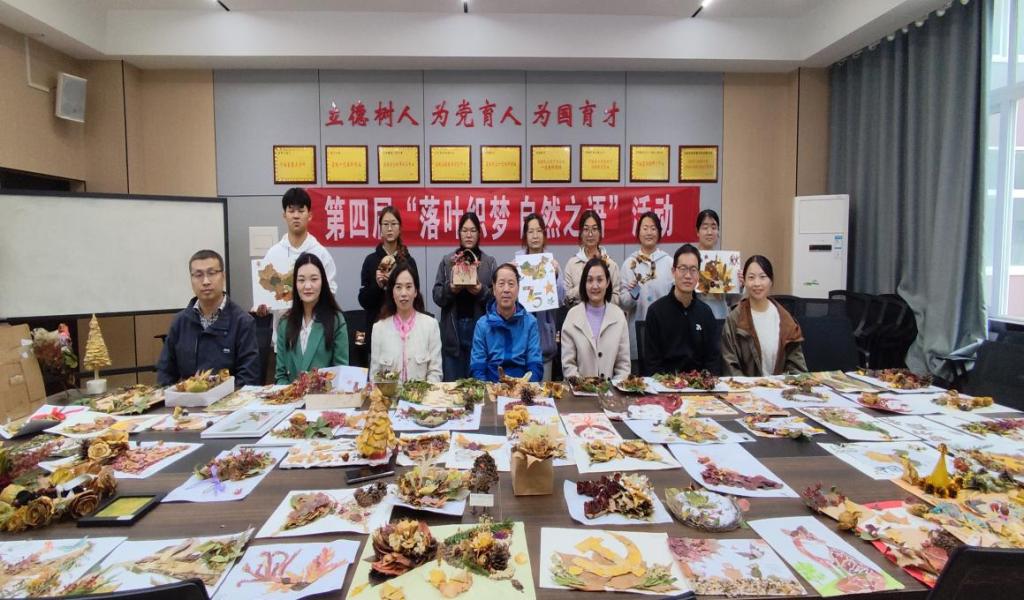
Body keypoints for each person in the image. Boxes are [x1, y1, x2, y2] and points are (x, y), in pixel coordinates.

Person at [157, 249, 260, 386]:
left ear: (223, 276)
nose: (205, 281)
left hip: (230, 398)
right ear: (191, 279)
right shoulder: (180, 322)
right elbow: (165, 373)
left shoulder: (243, 322)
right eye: (198, 275)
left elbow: (248, 378)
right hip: (187, 398)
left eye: (211, 273)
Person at [432, 212, 498, 381]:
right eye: (465, 230)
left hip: (480, 330)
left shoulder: (489, 263)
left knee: (478, 385)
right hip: (453, 332)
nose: (469, 235)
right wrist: (450, 289)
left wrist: (481, 291)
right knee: (453, 386)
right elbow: (437, 296)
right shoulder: (448, 261)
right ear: (459, 233)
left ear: (479, 233)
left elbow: (497, 299)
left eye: (473, 230)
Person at [255, 187, 338, 318]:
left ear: (309, 215)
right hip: (282, 328)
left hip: (314, 326)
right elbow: (266, 293)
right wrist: (263, 306)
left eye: (301, 211)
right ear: (284, 215)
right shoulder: (273, 254)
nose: (296, 216)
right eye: (291, 211)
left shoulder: (320, 253)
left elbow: (331, 291)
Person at [721, 255, 808, 376]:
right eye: (751, 277)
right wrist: (748, 386)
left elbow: (796, 366)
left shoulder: (784, 318)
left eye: (762, 277)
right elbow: (729, 364)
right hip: (744, 387)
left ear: (771, 280)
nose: (757, 283)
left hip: (779, 387)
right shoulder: (735, 318)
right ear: (744, 281)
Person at [642, 244, 721, 375]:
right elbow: (652, 364)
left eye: (693, 270)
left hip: (700, 384)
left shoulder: (706, 313)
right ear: (673, 271)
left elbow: (713, 361)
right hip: (665, 384)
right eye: (683, 269)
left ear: (699, 275)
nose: (688, 275)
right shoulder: (656, 312)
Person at [274, 253, 349, 383]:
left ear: (323, 282)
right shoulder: (285, 323)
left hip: (324, 395)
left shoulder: (336, 320)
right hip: (290, 395)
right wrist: (292, 393)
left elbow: (341, 372)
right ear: (295, 284)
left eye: (314, 279)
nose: (307, 286)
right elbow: (280, 376)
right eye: (301, 280)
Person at [470, 263, 543, 382]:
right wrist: (488, 389)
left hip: (523, 386)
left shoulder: (530, 322)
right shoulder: (482, 324)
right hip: (491, 386)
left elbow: (535, 364)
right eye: (501, 284)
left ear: (518, 289)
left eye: (511, 284)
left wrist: (525, 388)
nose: (506, 290)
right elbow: (477, 367)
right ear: (494, 289)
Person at [370, 262, 443, 382]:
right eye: (398, 287)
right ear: (392, 292)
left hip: (422, 393)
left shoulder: (431, 325)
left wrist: (422, 392)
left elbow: (435, 372)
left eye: (409, 287)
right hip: (390, 394)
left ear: (416, 292)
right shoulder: (379, 328)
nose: (403, 293)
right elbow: (375, 376)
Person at [561, 258, 631, 380]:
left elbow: (623, 366)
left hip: (612, 390)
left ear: (607, 282)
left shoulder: (618, 316)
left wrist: (613, 388)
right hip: (579, 390)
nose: (595, 286)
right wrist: (585, 387)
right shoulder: (572, 316)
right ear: (584, 284)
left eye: (600, 280)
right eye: (589, 280)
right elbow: (568, 365)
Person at [358, 206, 420, 346]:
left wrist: (394, 284)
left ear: (400, 228)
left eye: (393, 224)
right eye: (385, 224)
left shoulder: (408, 262)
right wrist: (378, 285)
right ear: (380, 228)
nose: (389, 228)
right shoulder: (371, 260)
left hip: (404, 330)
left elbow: (416, 297)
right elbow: (363, 301)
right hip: (377, 328)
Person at [620, 211, 674, 361]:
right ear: (638, 232)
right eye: (645, 228)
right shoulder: (629, 264)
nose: (649, 232)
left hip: (665, 331)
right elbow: (623, 303)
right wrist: (633, 294)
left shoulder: (669, 263)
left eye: (653, 228)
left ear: (659, 232)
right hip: (637, 332)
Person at [515, 213, 562, 380]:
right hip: (520, 338)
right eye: (530, 231)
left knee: (543, 390)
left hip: (545, 340)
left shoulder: (552, 263)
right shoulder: (518, 262)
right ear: (525, 236)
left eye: (538, 231)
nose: (535, 236)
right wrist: (513, 274)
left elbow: (561, 299)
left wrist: (556, 275)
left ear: (544, 234)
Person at [563, 210, 621, 307]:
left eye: (594, 229)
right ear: (581, 233)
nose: (590, 234)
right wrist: (583, 284)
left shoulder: (610, 264)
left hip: (605, 314)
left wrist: (601, 294)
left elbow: (617, 298)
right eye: (586, 229)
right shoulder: (572, 264)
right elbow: (566, 299)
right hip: (578, 315)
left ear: (600, 233)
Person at [694, 208, 735, 319]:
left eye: (713, 227)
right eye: (705, 227)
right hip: (696, 316)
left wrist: (738, 283)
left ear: (718, 232)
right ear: (697, 231)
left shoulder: (725, 262)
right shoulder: (690, 259)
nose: (709, 232)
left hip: (720, 316)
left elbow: (732, 299)